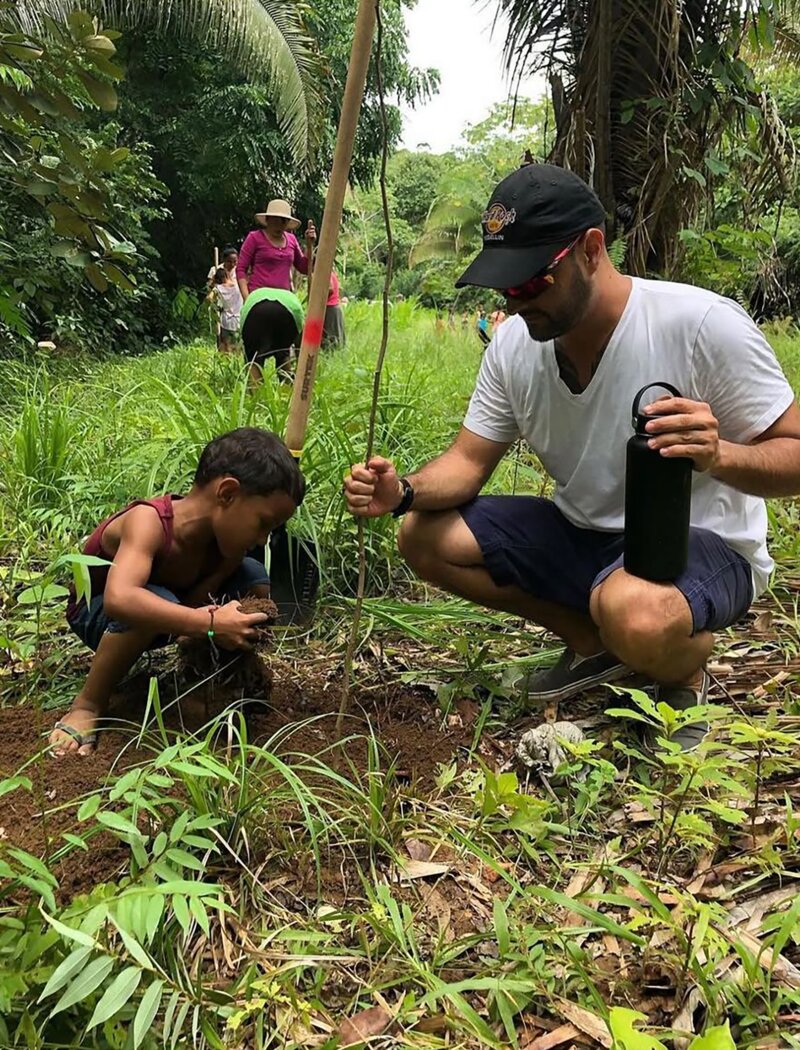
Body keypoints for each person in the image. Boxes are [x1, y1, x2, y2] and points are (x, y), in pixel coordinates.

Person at [344, 163, 800, 751]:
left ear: (590, 249)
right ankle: (591, 644)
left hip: (697, 542)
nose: (517, 301)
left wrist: (718, 455)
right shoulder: (514, 346)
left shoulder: (700, 325)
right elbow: (467, 462)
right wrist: (403, 491)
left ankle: (682, 675)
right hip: (581, 534)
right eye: (506, 288)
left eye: (533, 282)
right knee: (424, 536)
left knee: (634, 610)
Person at [50, 428, 305, 757]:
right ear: (227, 493)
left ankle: (214, 680)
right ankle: (88, 704)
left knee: (253, 574)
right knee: (153, 599)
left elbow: (201, 598)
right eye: (262, 524)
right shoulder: (148, 522)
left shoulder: (228, 549)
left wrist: (208, 629)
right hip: (99, 614)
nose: (262, 540)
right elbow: (120, 599)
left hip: (175, 610)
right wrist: (210, 623)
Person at [236, 199, 316, 300]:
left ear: (287, 223)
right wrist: (247, 298)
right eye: (275, 221)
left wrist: (309, 245)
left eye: (283, 222)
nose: (279, 226)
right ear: (268, 220)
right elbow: (241, 269)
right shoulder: (254, 238)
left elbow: (304, 268)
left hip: (283, 297)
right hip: (259, 297)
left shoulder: (291, 239)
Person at [240, 285, 304, 384]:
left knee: (253, 360)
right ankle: (287, 390)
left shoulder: (254, 296)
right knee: (283, 354)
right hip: (289, 311)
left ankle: (255, 392)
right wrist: (301, 370)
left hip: (255, 311)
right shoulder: (290, 297)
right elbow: (301, 346)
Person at [209, 265, 243, 354]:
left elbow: (208, 298)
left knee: (225, 347)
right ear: (227, 275)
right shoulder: (238, 285)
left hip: (226, 320)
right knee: (237, 346)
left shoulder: (218, 288)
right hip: (239, 319)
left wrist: (217, 306)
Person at [323, 270, 346, 348]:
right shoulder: (332, 273)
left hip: (330, 308)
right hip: (335, 306)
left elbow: (330, 289)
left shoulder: (325, 272)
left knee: (331, 340)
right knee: (336, 338)